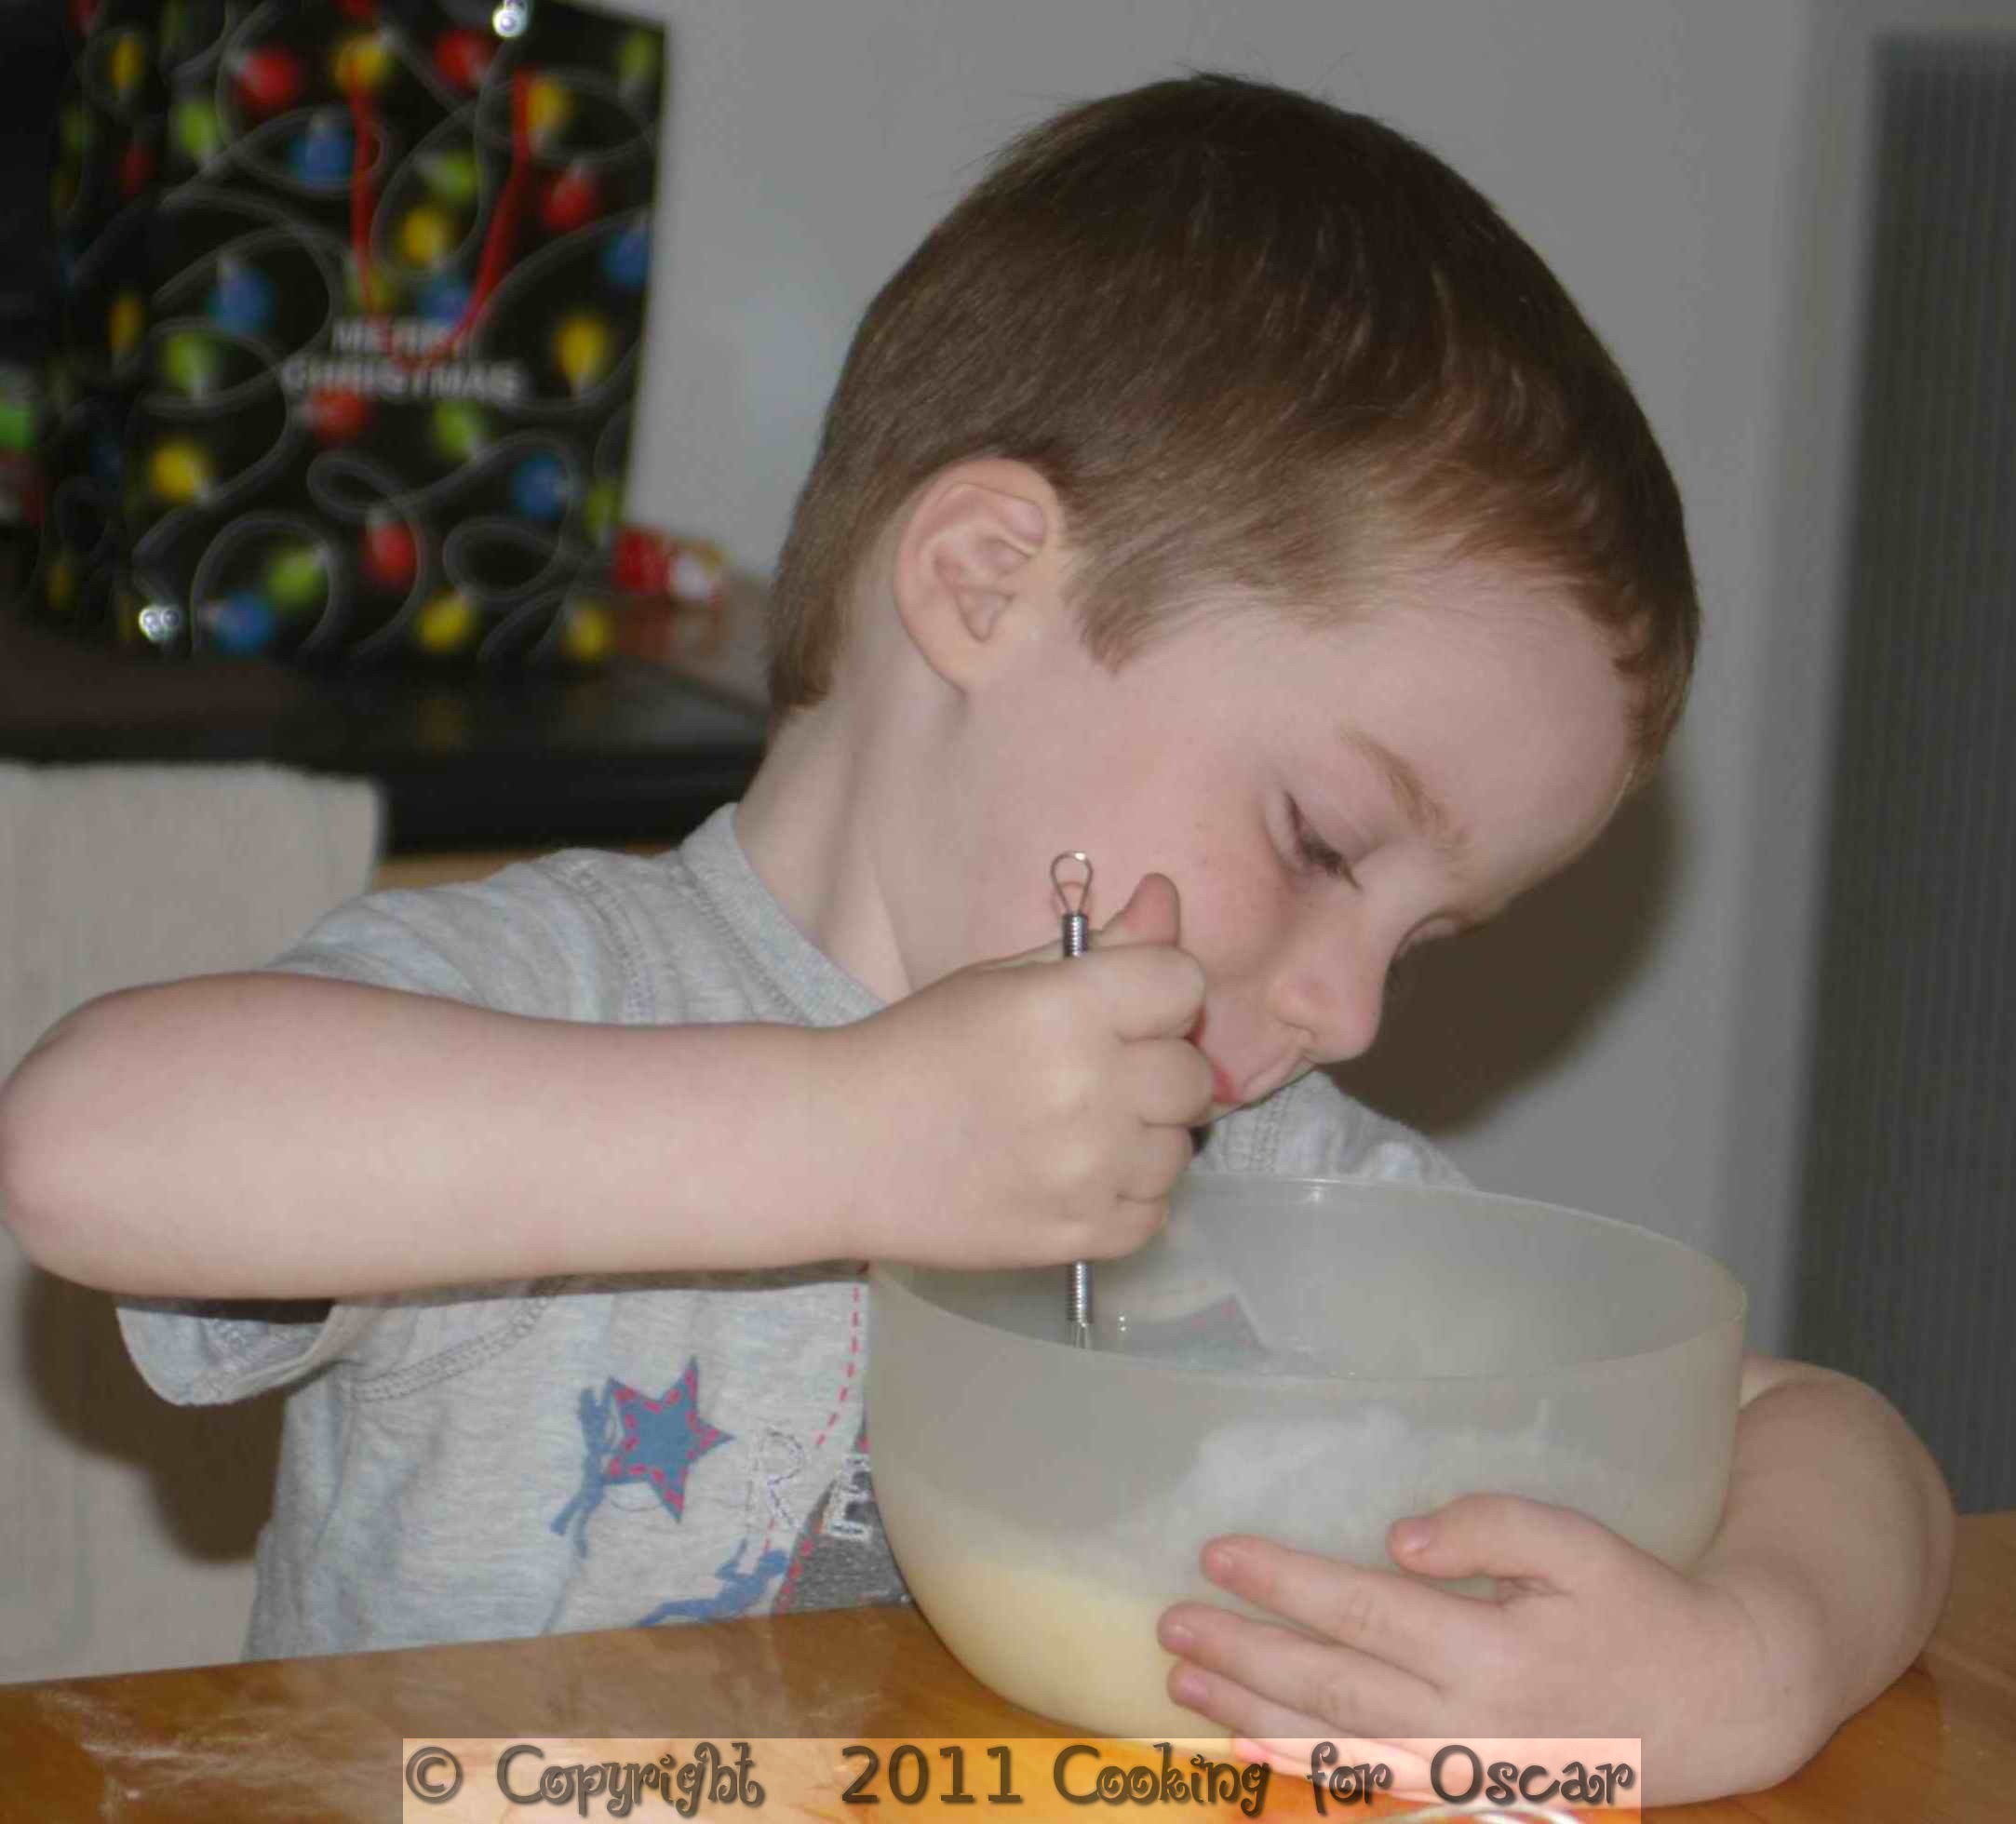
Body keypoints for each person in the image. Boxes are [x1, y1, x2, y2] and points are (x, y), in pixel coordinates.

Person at [0, 74, 1950, 1805]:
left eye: (1427, 936)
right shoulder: (565, 998)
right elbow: (92, 1143)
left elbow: (1819, 1430)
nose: (1351, 999)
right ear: (985, 579)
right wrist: (846, 1130)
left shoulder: (1241, 1169)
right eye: (1325, 838)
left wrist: (1750, 1662)